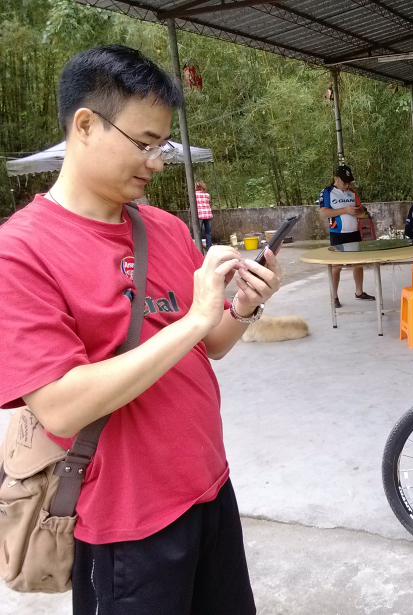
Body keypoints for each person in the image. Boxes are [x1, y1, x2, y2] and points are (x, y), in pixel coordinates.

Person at [0, 45, 282, 614]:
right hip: (125, 524)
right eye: (144, 143)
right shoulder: (21, 251)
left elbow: (210, 345)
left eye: (163, 146)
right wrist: (195, 318)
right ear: (85, 125)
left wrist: (243, 307)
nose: (156, 162)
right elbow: (59, 407)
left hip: (209, 488)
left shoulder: (165, 229)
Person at [317, 165, 375, 308]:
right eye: (345, 181)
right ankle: (334, 296)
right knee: (336, 265)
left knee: (358, 263)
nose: (347, 184)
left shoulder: (352, 193)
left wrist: (357, 211)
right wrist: (345, 210)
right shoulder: (327, 192)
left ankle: (359, 292)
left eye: (349, 181)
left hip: (354, 232)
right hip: (338, 234)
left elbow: (361, 209)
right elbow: (324, 212)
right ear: (336, 178)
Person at [195, 179, 213, 250]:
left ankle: (198, 248)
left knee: (198, 232)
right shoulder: (207, 195)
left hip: (199, 215)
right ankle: (209, 248)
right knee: (208, 232)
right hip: (208, 215)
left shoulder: (194, 195)